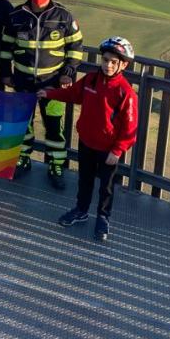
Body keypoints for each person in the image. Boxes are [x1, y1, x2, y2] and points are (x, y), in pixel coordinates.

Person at [38, 37, 138, 241]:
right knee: (85, 180)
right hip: (86, 142)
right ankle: (81, 210)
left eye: (113, 62)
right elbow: (74, 94)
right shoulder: (91, 79)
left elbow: (130, 127)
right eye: (105, 60)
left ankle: (103, 217)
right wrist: (49, 94)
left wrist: (118, 150)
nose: (107, 65)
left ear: (123, 65)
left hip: (108, 149)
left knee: (106, 187)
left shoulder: (125, 92)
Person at [0, 0, 83, 189]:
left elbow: (75, 47)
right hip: (23, 82)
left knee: (54, 127)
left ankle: (56, 165)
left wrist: (68, 73)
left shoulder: (63, 16)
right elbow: (6, 48)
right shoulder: (16, 16)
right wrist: (6, 74)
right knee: (24, 124)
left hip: (53, 84)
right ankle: (23, 158)